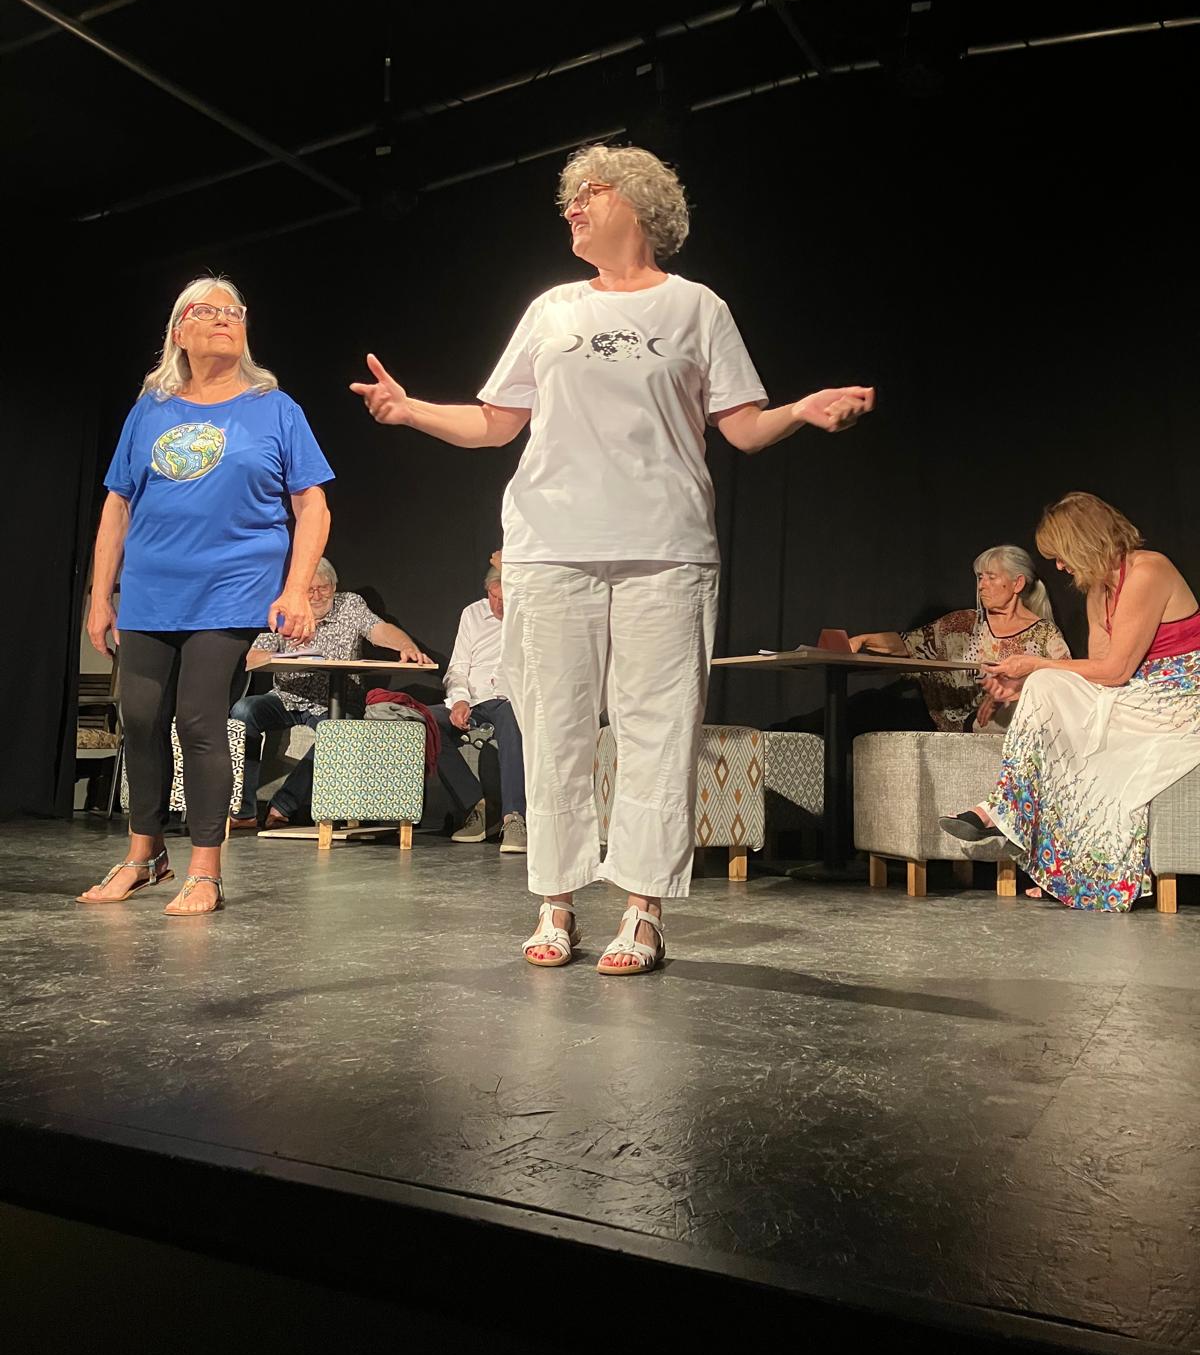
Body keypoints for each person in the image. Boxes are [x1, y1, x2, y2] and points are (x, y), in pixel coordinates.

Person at [352, 142, 874, 972]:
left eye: (588, 192)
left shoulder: (697, 308)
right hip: (549, 545)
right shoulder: (551, 309)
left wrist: (803, 411)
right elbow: (495, 422)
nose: (572, 207)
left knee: (658, 729)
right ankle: (555, 903)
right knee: (552, 725)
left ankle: (642, 909)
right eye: (569, 197)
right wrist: (410, 409)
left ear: (639, 202)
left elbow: (742, 426)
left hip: (665, 548)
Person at [79, 277, 333, 915]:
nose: (225, 319)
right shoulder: (150, 410)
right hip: (150, 587)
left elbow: (312, 504)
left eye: (234, 311)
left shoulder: (276, 408)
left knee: (198, 717)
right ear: (179, 331)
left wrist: (296, 587)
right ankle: (145, 855)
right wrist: (100, 595)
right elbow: (117, 505)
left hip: (231, 585)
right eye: (208, 310)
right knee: (140, 716)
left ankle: (205, 868)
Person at [940, 493, 1200, 910]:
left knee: (1045, 677)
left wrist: (1034, 666)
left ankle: (1003, 812)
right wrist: (1027, 687)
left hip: (1177, 703)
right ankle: (1008, 815)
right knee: (1046, 685)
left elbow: (1115, 670)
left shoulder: (1149, 570)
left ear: (1084, 542)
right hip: (1132, 697)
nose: (1059, 567)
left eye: (1061, 556)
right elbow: (1098, 672)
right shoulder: (1098, 590)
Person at [230, 556, 434, 830]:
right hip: (286, 697)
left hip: (335, 701)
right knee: (244, 711)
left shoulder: (350, 605)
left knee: (338, 731)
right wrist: (285, 657)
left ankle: (282, 806)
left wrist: (406, 646)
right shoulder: (286, 609)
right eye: (309, 590)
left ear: (334, 586)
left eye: (323, 588)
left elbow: (379, 630)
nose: (316, 596)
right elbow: (253, 657)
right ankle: (244, 811)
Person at [851, 545, 1070, 730]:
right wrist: (862, 640)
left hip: (1009, 724)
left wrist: (1015, 692)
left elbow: (1066, 681)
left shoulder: (1044, 634)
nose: (981, 585)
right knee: (867, 703)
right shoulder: (962, 623)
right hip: (955, 723)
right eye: (980, 578)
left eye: (991, 577)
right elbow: (907, 644)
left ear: (1017, 583)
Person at [428, 563, 526, 852]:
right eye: (494, 597)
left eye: (506, 599)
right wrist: (459, 699)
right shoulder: (472, 614)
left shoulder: (530, 616)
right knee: (426, 720)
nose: (499, 606)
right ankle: (478, 807)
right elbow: (458, 668)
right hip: (474, 701)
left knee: (510, 715)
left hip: (510, 700)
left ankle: (514, 817)